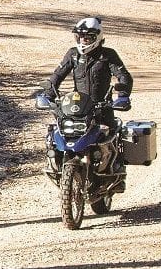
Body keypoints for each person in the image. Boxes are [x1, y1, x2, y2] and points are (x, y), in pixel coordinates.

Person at [37, 16, 133, 175]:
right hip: (78, 107)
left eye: (88, 37)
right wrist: (47, 95)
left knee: (109, 136)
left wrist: (122, 96)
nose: (83, 40)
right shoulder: (73, 54)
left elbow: (124, 76)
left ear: (97, 37)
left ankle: (114, 168)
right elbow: (57, 76)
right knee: (55, 134)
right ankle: (55, 164)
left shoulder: (108, 55)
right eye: (80, 37)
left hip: (102, 108)